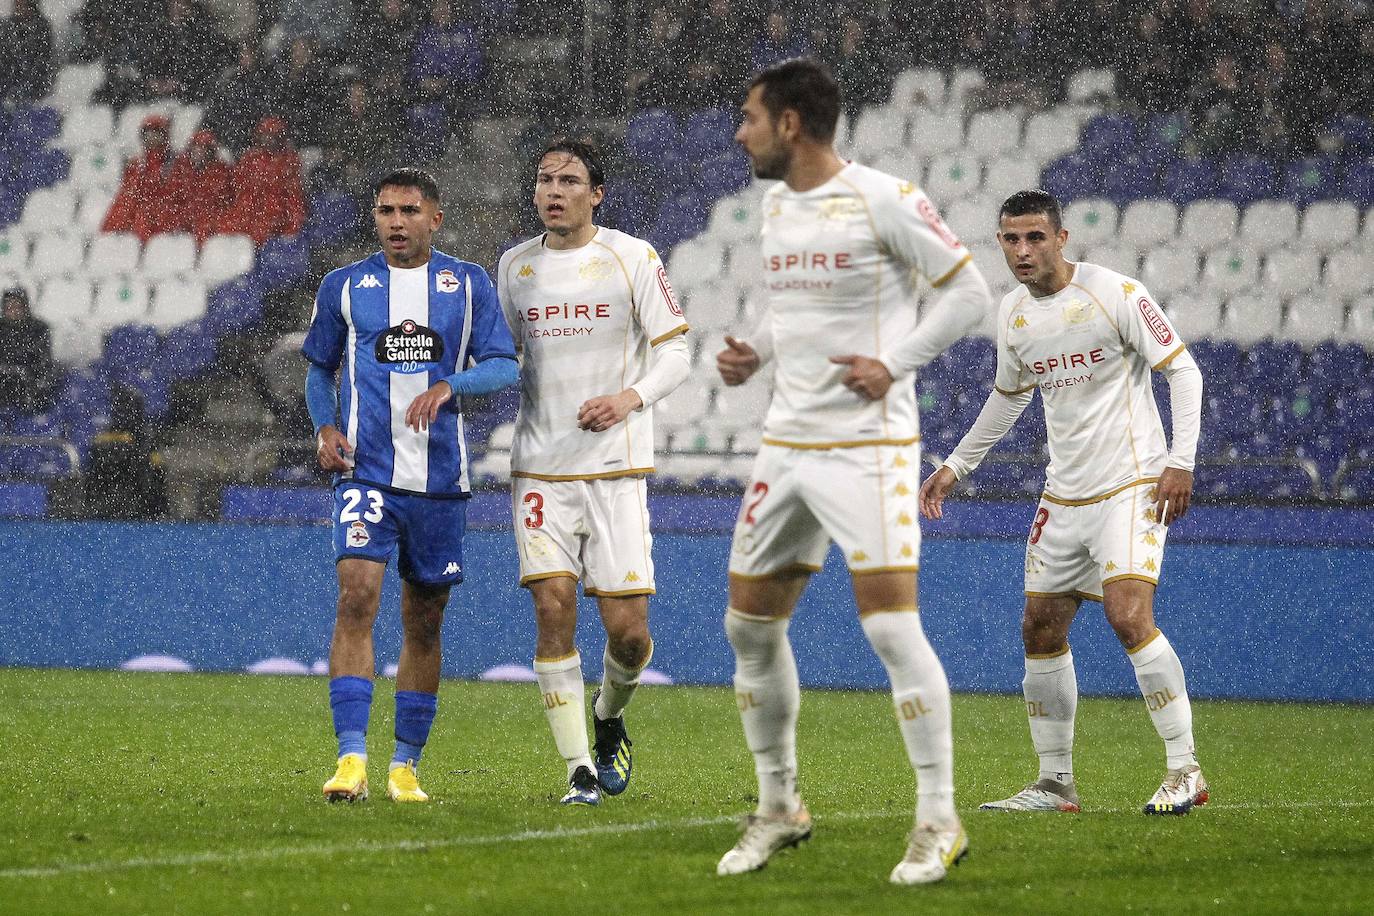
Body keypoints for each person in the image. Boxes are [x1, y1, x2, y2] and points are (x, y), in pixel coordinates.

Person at [714, 58, 991, 885]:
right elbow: (790, 306)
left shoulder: (885, 198)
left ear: (791, 124)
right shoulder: (774, 206)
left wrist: (894, 363)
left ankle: (940, 820)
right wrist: (753, 351)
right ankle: (779, 806)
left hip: (868, 445)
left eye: (750, 116)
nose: (740, 132)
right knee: (749, 626)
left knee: (889, 628)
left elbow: (969, 292)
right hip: (786, 442)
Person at [918, 189, 1208, 817]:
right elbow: (1009, 396)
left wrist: (1179, 461)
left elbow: (1184, 372)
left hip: (1133, 483)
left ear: (1062, 238)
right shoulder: (1013, 313)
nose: (1022, 251)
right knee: (1040, 627)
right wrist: (956, 465)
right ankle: (1055, 784)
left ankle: (1185, 770)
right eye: (1010, 240)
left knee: (1129, 616)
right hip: (1064, 493)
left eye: (1034, 238)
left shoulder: (1115, 294)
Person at [301, 167, 518, 804]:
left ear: (435, 218)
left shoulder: (467, 283)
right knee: (357, 594)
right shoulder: (345, 285)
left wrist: (453, 384)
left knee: (424, 620)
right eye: (386, 210)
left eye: (409, 210)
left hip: (440, 481)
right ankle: (350, 760)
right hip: (365, 472)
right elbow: (320, 368)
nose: (396, 221)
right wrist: (323, 427)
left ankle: (404, 766)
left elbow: (505, 365)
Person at [497, 139, 690, 807]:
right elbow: (503, 359)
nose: (554, 189)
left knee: (628, 633)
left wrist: (628, 398)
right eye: (544, 178)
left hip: (615, 468)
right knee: (552, 608)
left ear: (596, 194)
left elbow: (678, 354)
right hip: (540, 470)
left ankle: (608, 716)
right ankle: (578, 768)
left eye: (569, 179)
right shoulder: (514, 267)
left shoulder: (631, 257)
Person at [219, 116, 308, 245]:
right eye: (265, 135)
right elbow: (237, 188)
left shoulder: (289, 161)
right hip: (248, 212)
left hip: (273, 217)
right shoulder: (249, 158)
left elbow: (293, 197)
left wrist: (293, 225)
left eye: (272, 136)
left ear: (280, 138)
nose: (268, 140)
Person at [103, 114, 180, 243]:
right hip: (139, 217)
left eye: (156, 133)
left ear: (164, 136)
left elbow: (174, 195)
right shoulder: (136, 164)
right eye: (148, 133)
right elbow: (126, 196)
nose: (151, 138)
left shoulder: (174, 163)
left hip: (161, 218)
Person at [168, 128, 232, 244]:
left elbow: (224, 204)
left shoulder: (221, 173)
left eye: (203, 149)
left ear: (211, 152)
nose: (199, 153)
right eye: (196, 148)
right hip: (186, 221)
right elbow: (173, 199)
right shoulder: (180, 170)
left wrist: (211, 222)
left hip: (209, 224)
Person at [0, 286, 55, 414]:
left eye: (18, 307)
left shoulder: (39, 329)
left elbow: (44, 361)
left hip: (30, 379)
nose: (14, 311)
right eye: (10, 308)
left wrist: (26, 372)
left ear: (25, 307)